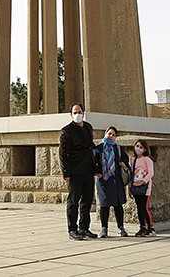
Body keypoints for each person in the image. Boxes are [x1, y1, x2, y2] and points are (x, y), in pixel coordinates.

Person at [59, 103, 97, 240]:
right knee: (73, 201)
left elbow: (91, 147)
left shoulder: (88, 127)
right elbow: (63, 154)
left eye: (79, 112)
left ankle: (84, 228)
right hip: (75, 171)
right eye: (75, 112)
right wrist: (66, 172)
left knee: (87, 200)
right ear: (71, 115)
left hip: (88, 170)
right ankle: (72, 229)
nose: (77, 114)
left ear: (83, 113)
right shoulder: (66, 131)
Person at [94, 126, 130, 238]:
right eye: (109, 133)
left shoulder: (117, 148)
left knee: (118, 205)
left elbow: (125, 158)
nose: (111, 136)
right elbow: (94, 161)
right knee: (104, 205)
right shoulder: (99, 148)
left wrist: (123, 163)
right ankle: (104, 229)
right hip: (104, 180)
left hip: (116, 180)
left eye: (114, 135)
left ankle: (121, 228)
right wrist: (98, 172)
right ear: (106, 134)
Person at [129, 139, 155, 237]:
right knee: (139, 208)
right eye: (137, 146)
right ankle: (142, 227)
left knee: (144, 208)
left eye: (141, 147)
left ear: (144, 149)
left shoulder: (147, 159)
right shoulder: (133, 160)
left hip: (144, 187)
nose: (138, 149)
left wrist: (142, 182)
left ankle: (150, 227)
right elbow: (132, 173)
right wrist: (130, 187)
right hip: (135, 187)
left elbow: (151, 173)